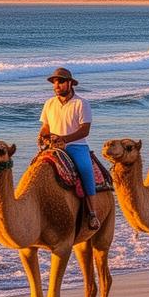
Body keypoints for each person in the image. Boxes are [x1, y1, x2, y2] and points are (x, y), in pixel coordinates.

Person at [39, 67, 100, 231]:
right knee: (35, 169)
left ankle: (93, 213)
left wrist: (64, 139)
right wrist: (42, 136)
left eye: (61, 81)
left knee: (85, 170)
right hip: (53, 146)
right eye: (55, 82)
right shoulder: (49, 104)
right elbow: (46, 126)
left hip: (76, 145)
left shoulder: (81, 103)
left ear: (70, 83)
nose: (57, 85)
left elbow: (84, 130)